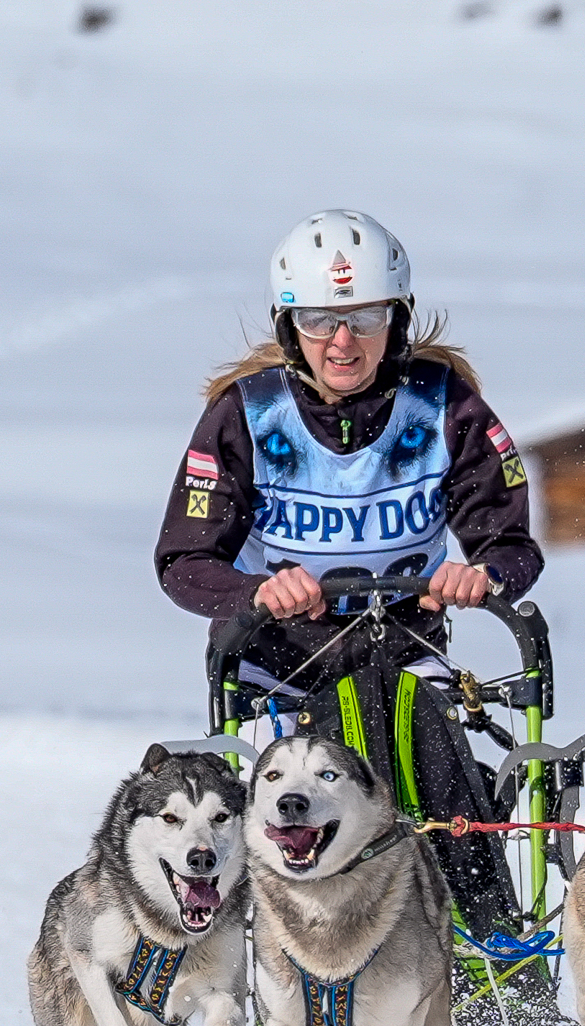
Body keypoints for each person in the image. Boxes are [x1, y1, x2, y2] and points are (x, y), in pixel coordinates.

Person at [153, 208, 546, 934]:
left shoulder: (444, 406)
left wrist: (481, 576)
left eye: (365, 318)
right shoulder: (247, 416)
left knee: (425, 742)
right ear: (289, 326)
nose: (343, 341)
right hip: (279, 671)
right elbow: (184, 561)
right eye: (320, 320)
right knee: (313, 777)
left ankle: (486, 945)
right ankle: (307, 951)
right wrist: (256, 591)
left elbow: (512, 545)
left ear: (397, 319)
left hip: (406, 657)